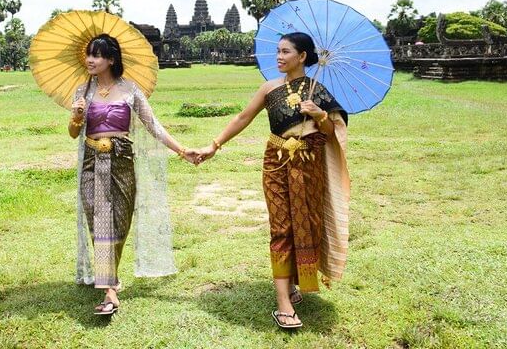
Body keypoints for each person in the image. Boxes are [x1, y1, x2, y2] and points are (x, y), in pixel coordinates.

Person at [195, 32, 351, 329]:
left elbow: (332, 133)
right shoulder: (269, 88)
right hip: (277, 162)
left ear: (302, 56)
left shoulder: (318, 91)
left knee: (306, 223)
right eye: (277, 51)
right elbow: (243, 118)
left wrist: (319, 115)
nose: (279, 57)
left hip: (309, 165)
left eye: (285, 52)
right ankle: (282, 303)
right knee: (281, 226)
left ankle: (293, 284)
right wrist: (214, 145)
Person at [68, 34, 197, 316]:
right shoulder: (82, 92)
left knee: (120, 224)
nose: (90, 60)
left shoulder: (130, 90)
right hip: (92, 161)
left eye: (97, 55)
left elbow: (154, 126)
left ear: (111, 60)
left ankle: (109, 274)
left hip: (122, 160)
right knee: (98, 222)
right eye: (89, 54)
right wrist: (77, 116)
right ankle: (109, 289)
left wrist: (181, 150)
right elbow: (73, 133)